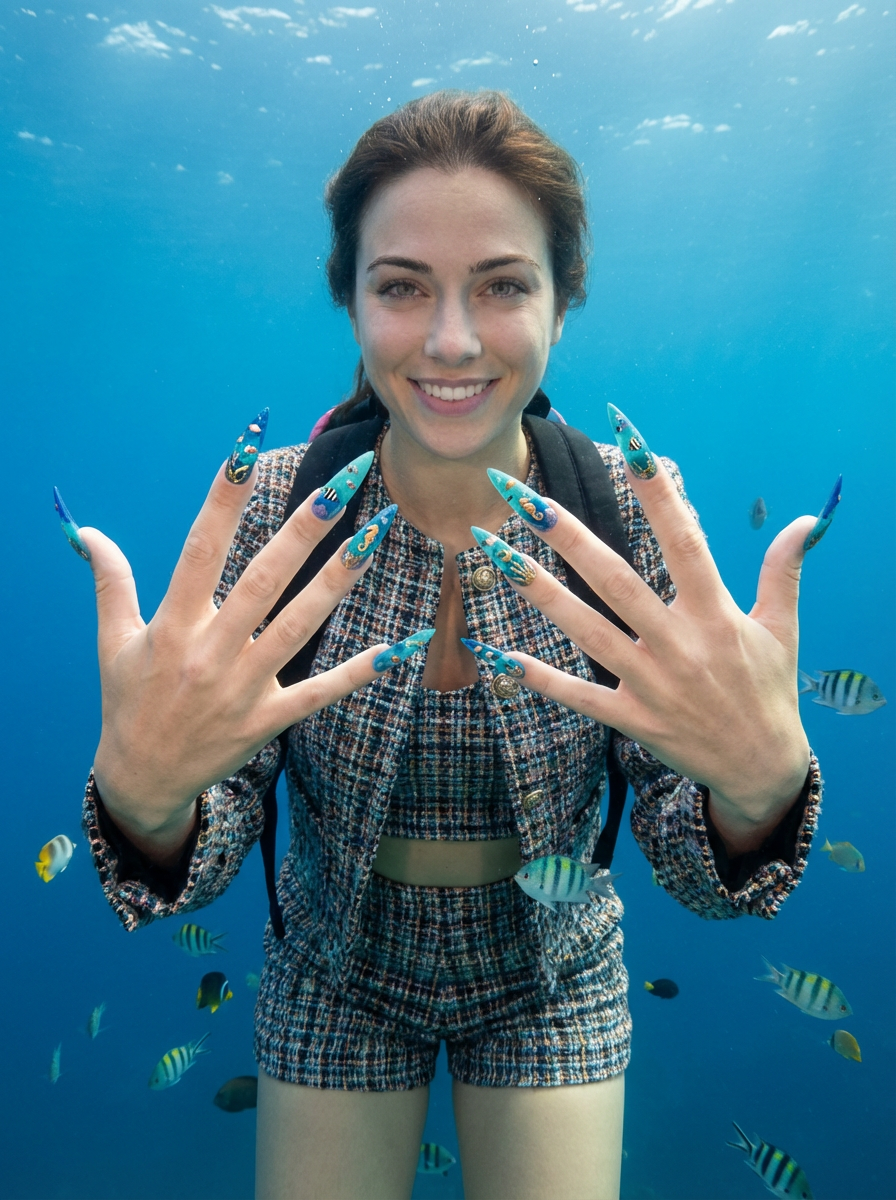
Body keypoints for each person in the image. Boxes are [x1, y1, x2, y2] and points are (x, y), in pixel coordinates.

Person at [70, 91, 821, 1200]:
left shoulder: (626, 513)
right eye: (401, 286)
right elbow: (213, 829)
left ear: (562, 304)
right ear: (350, 299)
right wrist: (145, 807)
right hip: (331, 967)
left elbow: (691, 862)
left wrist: (757, 799)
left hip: (554, 971)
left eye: (504, 285)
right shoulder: (275, 509)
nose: (452, 340)